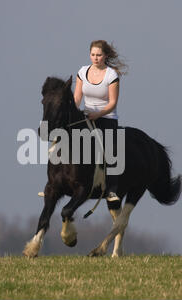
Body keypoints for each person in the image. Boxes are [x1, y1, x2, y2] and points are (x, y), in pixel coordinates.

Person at [74, 40, 128, 202]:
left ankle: (112, 190)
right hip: (86, 115)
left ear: (105, 56)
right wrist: (73, 111)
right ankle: (56, 183)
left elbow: (112, 103)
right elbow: (77, 97)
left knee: (111, 150)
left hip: (106, 117)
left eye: (99, 55)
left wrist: (98, 115)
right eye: (93, 55)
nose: (95, 58)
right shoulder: (82, 72)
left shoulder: (112, 75)